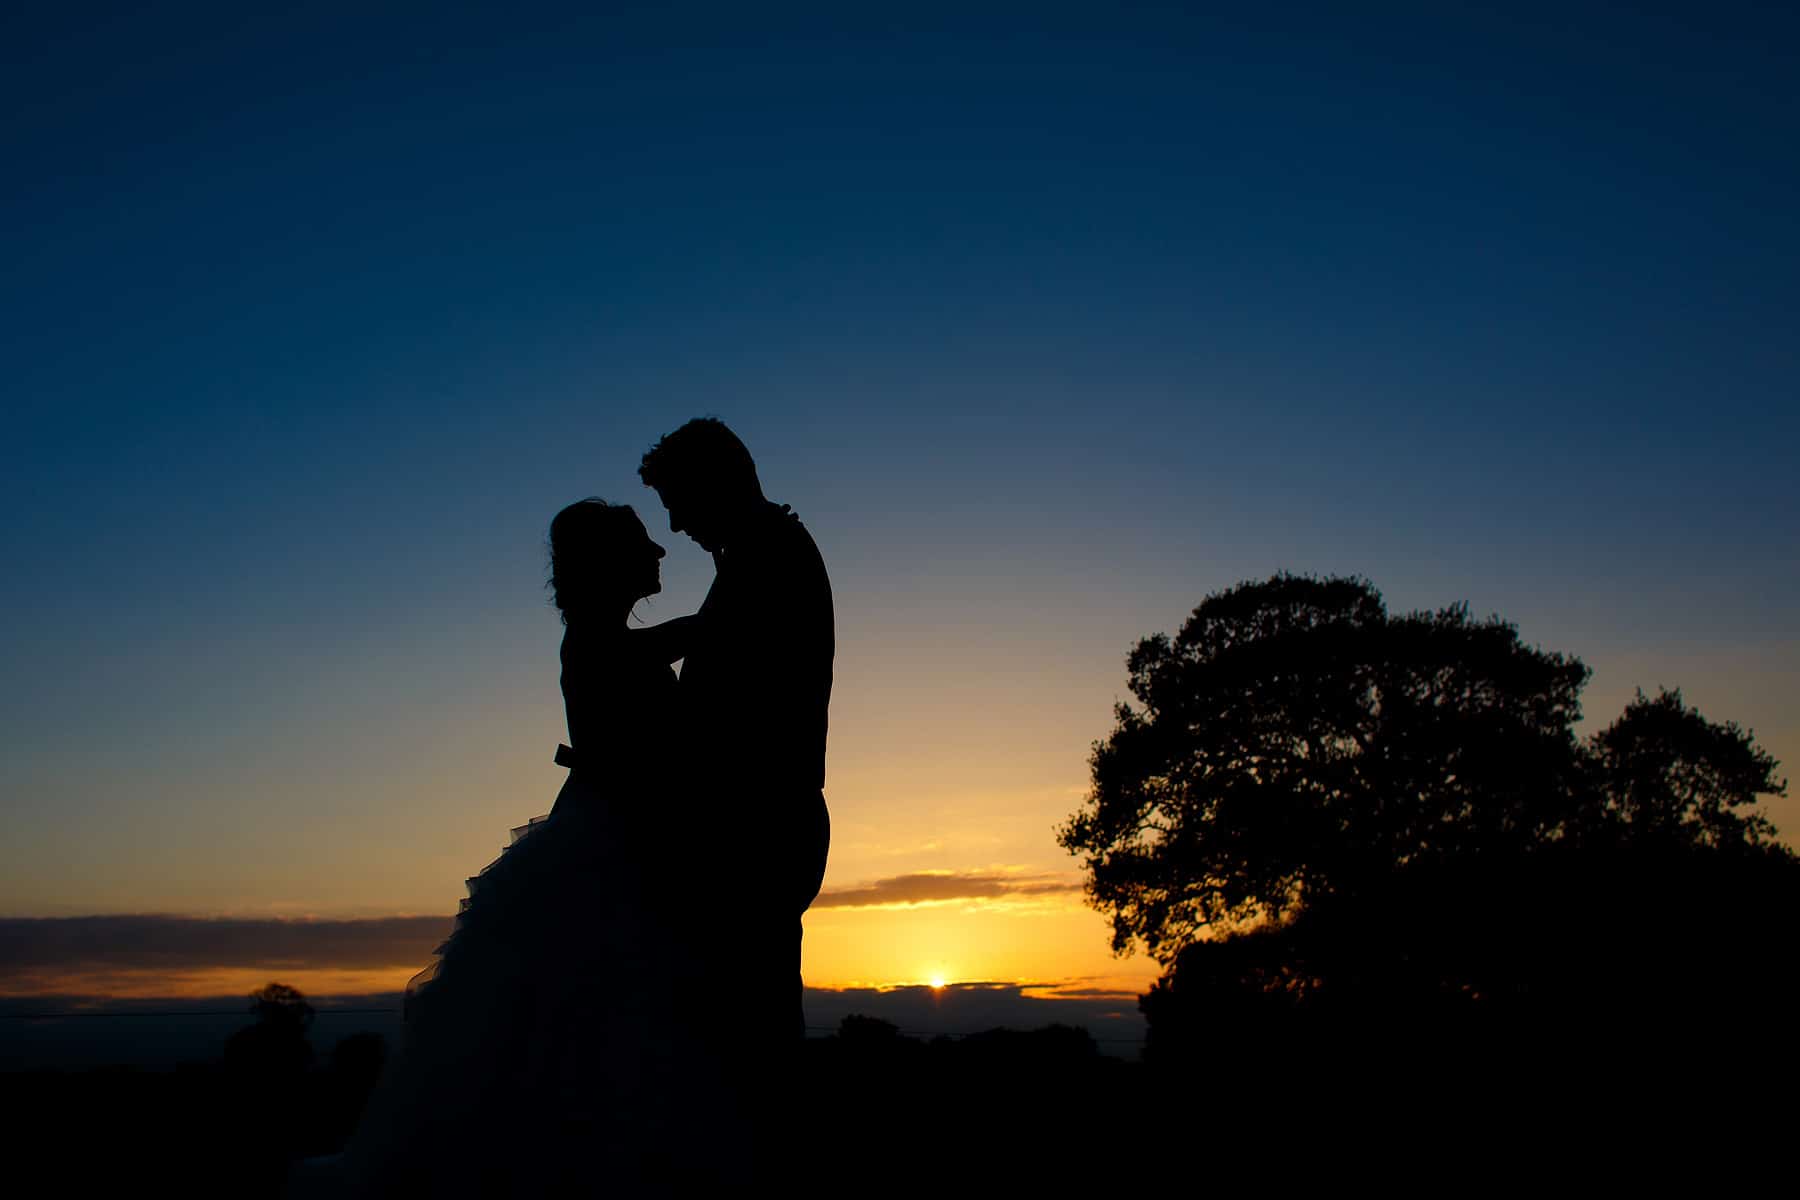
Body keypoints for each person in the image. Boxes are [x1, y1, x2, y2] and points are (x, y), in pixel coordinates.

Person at [293, 499, 733, 1198]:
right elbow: (695, 635)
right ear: (609, 562)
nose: (661, 553)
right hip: (609, 847)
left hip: (616, 835)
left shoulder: (601, 635)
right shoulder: (593, 639)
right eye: (645, 543)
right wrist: (743, 571)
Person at [638, 418, 834, 1138]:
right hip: (754, 829)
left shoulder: (771, 558)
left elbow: (733, 713)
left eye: (678, 499)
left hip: (758, 832)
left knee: (750, 1053)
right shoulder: (754, 557)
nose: (674, 522)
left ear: (718, 484)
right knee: (737, 1045)